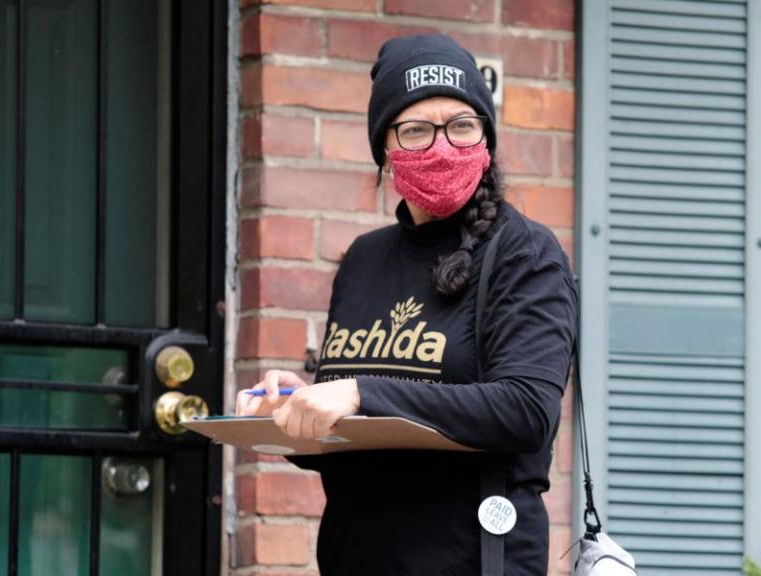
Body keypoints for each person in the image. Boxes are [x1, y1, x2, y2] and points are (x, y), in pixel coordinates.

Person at [236, 34, 577, 575]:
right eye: (416, 130)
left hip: (472, 561)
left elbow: (526, 411)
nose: (442, 146)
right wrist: (294, 412)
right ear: (385, 149)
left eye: (461, 125)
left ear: (486, 136)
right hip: (357, 557)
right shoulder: (364, 260)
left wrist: (358, 393)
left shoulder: (524, 252)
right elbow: (358, 426)